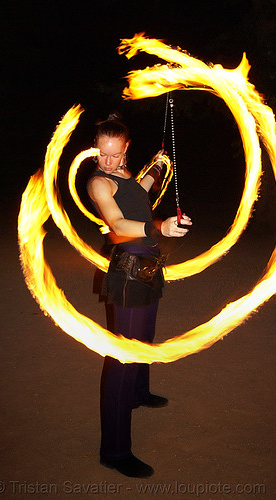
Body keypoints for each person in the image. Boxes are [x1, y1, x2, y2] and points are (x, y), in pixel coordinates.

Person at [87, 113, 192, 478]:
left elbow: (141, 189)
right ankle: (114, 451)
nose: (108, 161)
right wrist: (158, 226)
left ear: (126, 149)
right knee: (123, 357)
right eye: (102, 154)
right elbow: (117, 224)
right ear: (95, 150)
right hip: (129, 270)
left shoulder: (126, 175)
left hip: (149, 264)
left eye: (115, 154)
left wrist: (160, 166)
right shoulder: (99, 183)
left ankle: (139, 393)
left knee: (144, 339)